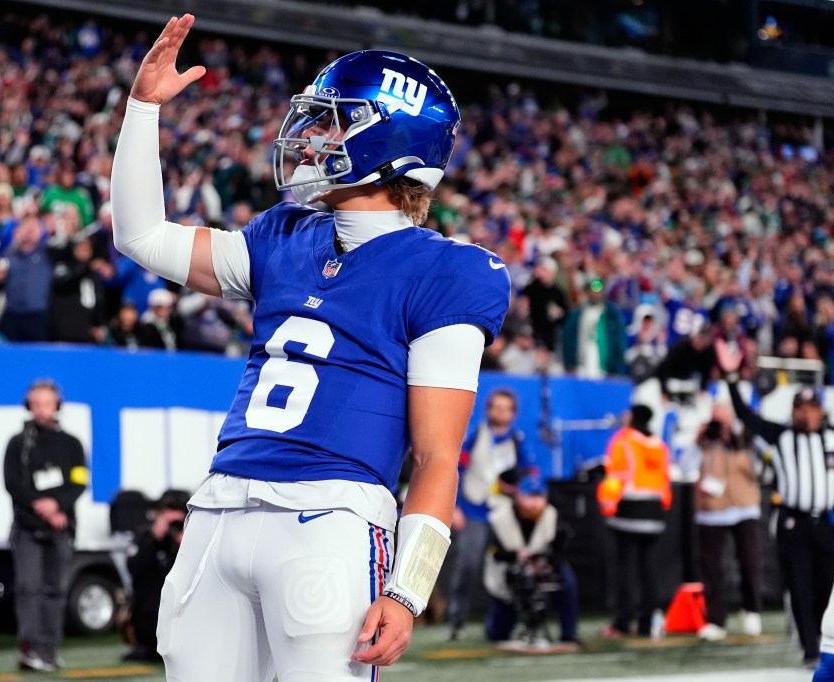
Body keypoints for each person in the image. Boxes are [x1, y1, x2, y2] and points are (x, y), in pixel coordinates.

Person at [111, 15, 510, 680]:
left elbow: (438, 456)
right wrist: (142, 110)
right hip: (219, 511)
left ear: (391, 140)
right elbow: (143, 236)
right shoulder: (286, 235)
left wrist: (409, 592)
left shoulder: (450, 271)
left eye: (335, 122)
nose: (313, 138)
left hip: (329, 516)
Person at [717, 341, 834, 667]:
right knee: (799, 586)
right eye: (801, 408)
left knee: (828, 589)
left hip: (825, 522)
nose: (806, 414)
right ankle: (810, 650)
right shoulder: (781, 435)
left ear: (821, 411)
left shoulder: (831, 437)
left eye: (812, 409)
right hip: (793, 522)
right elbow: (745, 415)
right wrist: (730, 379)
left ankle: (825, 647)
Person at [3, 379, 88, 672]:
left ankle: (50, 649)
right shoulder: (18, 444)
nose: (41, 410)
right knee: (29, 587)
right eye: (35, 404)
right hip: (27, 526)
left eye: (46, 403)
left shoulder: (72, 444)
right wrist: (41, 506)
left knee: (55, 590)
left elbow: (79, 481)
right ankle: (31, 649)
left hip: (61, 528)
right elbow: (13, 483)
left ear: (57, 406)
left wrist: (58, 506)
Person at [447, 388, 535, 640]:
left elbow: (529, 472)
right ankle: (456, 621)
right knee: (467, 565)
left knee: (512, 567)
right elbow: (458, 469)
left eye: (505, 408)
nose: (500, 412)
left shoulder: (517, 440)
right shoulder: (476, 434)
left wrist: (522, 491)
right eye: (496, 407)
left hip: (503, 510)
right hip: (475, 508)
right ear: (488, 410)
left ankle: (504, 623)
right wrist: (456, 507)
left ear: (513, 413)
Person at [597, 404, 671, 637]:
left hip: (627, 512)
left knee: (624, 569)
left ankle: (622, 622)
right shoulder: (659, 445)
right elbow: (665, 480)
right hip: (654, 514)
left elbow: (614, 478)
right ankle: (647, 623)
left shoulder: (624, 440)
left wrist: (608, 507)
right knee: (649, 570)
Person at [692, 403, 763, 641]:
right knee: (712, 567)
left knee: (750, 561)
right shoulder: (704, 442)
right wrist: (699, 441)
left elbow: (761, 467)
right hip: (712, 509)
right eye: (717, 421)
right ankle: (716, 618)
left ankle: (751, 610)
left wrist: (740, 440)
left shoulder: (745, 438)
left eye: (725, 420)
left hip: (744, 506)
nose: (721, 426)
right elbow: (685, 467)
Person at [483, 475, 578, 645]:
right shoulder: (499, 517)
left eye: (538, 496)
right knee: (498, 632)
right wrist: (515, 556)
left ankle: (568, 633)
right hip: (508, 569)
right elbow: (494, 551)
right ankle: (500, 627)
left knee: (566, 579)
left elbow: (560, 546)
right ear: (519, 496)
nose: (534, 503)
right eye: (530, 496)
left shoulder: (551, 514)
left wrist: (546, 562)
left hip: (541, 565)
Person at [123, 489, 190, 662]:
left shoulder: (194, 539)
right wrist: (154, 538)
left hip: (183, 621)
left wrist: (186, 546)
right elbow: (134, 568)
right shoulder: (145, 537)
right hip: (149, 618)